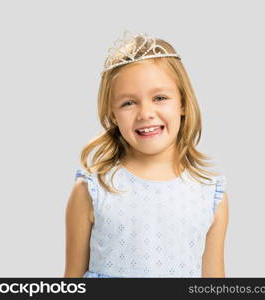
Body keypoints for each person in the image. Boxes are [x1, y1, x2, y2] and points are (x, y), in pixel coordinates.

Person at [64, 31, 229, 278]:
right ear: (112, 113)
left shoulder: (208, 194)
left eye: (160, 98)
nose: (145, 113)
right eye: (129, 103)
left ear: (182, 102)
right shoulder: (92, 190)